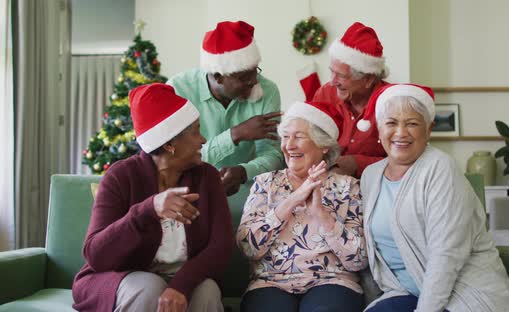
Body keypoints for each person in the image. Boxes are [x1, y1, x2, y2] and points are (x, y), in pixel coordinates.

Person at [72, 83, 234, 312]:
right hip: (122, 277)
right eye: (196, 131)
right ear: (169, 144)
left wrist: (181, 285)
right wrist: (148, 210)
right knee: (149, 287)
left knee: (207, 290)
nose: (203, 140)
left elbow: (222, 246)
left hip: (184, 275)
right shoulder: (120, 176)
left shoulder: (207, 177)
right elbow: (96, 255)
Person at [360, 84, 509, 312]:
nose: (401, 132)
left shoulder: (439, 167)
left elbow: (447, 254)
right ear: (378, 128)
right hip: (405, 292)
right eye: (391, 123)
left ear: (429, 130)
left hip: (459, 296)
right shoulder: (371, 175)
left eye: (412, 123)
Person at [236, 101, 368, 312]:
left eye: (298, 136)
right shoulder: (266, 183)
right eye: (286, 137)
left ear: (323, 145)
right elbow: (248, 248)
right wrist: (293, 200)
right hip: (271, 283)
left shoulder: (347, 187)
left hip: (332, 281)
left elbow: (358, 259)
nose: (289, 145)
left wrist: (321, 214)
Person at [168, 20, 284, 197]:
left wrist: (244, 172)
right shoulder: (179, 90)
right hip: (191, 196)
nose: (254, 82)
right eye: (245, 77)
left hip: (251, 198)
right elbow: (176, 160)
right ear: (218, 77)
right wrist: (235, 135)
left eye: (255, 71)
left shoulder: (268, 91)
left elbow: (273, 155)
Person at [313, 22, 389, 178]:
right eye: (332, 72)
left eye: (341, 75)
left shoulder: (393, 103)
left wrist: (356, 163)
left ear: (368, 79)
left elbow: (405, 159)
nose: (333, 82)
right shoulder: (325, 94)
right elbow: (310, 142)